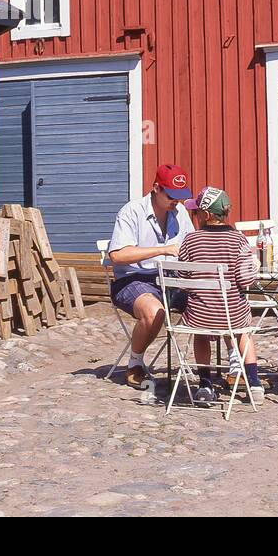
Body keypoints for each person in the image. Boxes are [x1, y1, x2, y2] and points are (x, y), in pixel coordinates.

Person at [107, 164, 194, 388]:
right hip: (133, 279)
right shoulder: (132, 211)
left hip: (171, 277)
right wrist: (162, 250)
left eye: (180, 196)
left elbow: (191, 245)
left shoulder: (180, 212)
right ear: (156, 188)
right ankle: (134, 363)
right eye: (171, 195)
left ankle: (235, 368)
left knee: (218, 302)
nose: (176, 201)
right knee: (155, 312)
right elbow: (118, 255)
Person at [177, 187, 264, 404]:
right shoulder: (238, 240)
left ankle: (205, 383)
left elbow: (182, 276)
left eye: (195, 213)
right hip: (231, 315)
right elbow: (245, 281)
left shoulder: (191, 240)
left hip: (200, 314)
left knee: (200, 330)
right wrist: (255, 267)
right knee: (244, 331)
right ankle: (254, 383)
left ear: (206, 215)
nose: (194, 216)